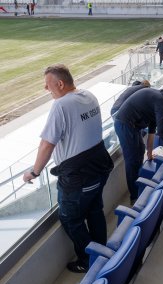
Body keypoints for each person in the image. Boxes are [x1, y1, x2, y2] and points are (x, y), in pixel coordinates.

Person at [23, 64, 114, 273]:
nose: (46, 90)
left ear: (60, 83)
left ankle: (87, 261)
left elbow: (47, 144)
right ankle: (101, 252)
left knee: (70, 217)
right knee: (94, 210)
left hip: (79, 176)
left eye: (48, 85)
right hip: (100, 166)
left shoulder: (61, 105)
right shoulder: (89, 95)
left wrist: (34, 172)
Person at [114, 88, 163, 202]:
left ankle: (138, 184)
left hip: (133, 126)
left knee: (140, 152)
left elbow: (152, 130)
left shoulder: (161, 102)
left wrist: (149, 153)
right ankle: (135, 197)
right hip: (124, 124)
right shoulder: (161, 101)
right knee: (132, 160)